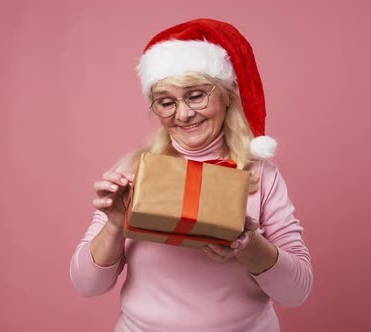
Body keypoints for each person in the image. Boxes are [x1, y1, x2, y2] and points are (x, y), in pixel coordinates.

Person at [70, 18, 313, 331]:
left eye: (196, 95)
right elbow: (87, 286)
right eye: (166, 102)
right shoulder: (133, 172)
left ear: (227, 94)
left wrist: (249, 243)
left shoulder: (260, 175)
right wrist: (116, 224)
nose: (182, 114)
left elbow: (296, 292)